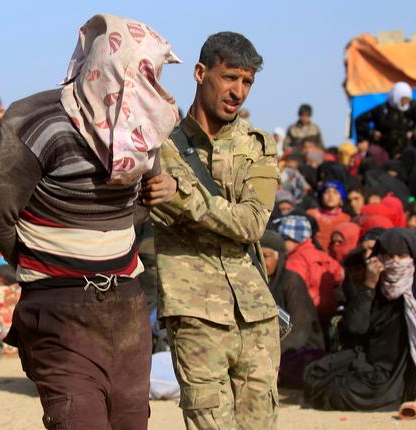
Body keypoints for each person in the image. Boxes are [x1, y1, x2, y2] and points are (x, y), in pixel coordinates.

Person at [0, 14, 180, 429]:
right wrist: (47, 264)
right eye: (133, 75)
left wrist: (163, 191)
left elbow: (137, 204)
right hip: (58, 312)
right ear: (102, 68)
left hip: (126, 309)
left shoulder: (146, 128)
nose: (143, 87)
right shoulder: (39, 122)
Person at [145, 31, 281, 429]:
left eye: (247, 82)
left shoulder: (259, 146)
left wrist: (181, 197)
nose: (238, 91)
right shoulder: (156, 147)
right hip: (195, 313)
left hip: (256, 315)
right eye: (230, 77)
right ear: (201, 73)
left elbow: (252, 222)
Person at [304, 228, 416, 410]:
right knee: (315, 375)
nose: (395, 262)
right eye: (389, 256)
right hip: (368, 360)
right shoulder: (376, 283)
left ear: (413, 256)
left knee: (343, 391)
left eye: (402, 256)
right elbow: (355, 327)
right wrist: (369, 285)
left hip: (405, 372)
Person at [260, 230, 324, 388]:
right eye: (257, 256)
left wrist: (269, 355)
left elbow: (300, 330)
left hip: (298, 350)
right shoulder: (257, 283)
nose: (261, 262)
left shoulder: (292, 282)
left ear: (279, 258)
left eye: (266, 256)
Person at [279, 215, 344, 330]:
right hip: (328, 314)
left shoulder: (295, 260)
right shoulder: (323, 255)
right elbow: (339, 275)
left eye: (284, 239)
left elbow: (292, 288)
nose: (281, 243)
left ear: (295, 239)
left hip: (307, 317)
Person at [355, 81, 415, 157]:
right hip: (383, 148)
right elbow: (360, 120)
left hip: (405, 148)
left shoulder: (412, 108)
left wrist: (413, 131)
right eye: (403, 99)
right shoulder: (382, 110)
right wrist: (372, 132)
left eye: (407, 100)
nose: (405, 103)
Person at [306, 180, 351, 251]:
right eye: (327, 192)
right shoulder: (311, 214)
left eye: (335, 193)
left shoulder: (347, 219)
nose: (330, 196)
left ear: (341, 198)